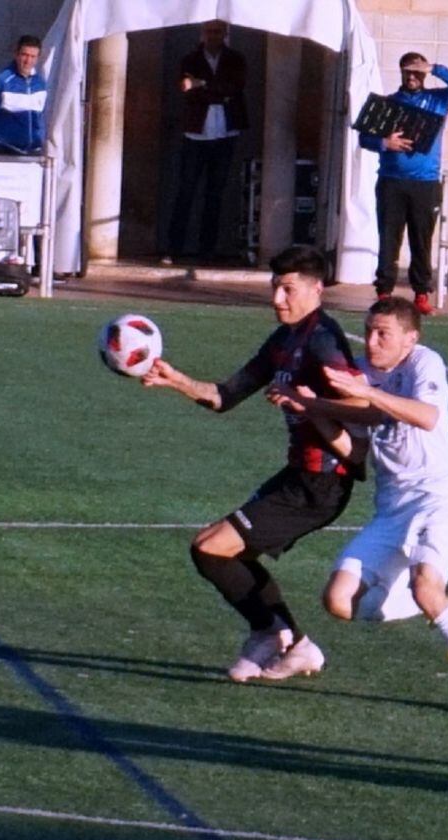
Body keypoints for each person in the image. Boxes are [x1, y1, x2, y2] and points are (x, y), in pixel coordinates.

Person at [268, 296, 448, 719]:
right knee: (338, 601)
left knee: (425, 584)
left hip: (437, 499)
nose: (371, 340)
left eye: (383, 333)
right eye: (368, 330)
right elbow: (352, 449)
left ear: (410, 338)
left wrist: (364, 394)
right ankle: (441, 605)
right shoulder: (360, 374)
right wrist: (308, 407)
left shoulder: (424, 363)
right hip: (391, 509)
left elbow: (425, 417)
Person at [142, 245, 357, 682]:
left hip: (321, 483)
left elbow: (357, 402)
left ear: (317, 289)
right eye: (275, 287)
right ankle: (292, 643)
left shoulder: (322, 340)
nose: (278, 299)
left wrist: (309, 403)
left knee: (212, 548)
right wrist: (176, 381)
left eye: (288, 289)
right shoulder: (285, 338)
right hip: (298, 476)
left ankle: (271, 634)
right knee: (214, 551)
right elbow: (226, 395)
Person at [358, 54, 448, 316]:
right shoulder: (388, 104)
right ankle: (384, 292)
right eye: (407, 72)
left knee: (421, 240)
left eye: (417, 72)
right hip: (391, 182)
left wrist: (434, 68)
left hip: (425, 184)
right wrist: (385, 143)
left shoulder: (438, 100)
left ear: (423, 74)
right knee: (388, 238)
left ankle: (421, 294)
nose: (411, 77)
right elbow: (364, 138)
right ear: (400, 73)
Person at [164, 20, 248, 264]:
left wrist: (202, 84)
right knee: (186, 191)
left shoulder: (235, 59)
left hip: (224, 133)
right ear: (203, 34)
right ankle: (174, 248)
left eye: (218, 32)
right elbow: (188, 88)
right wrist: (211, 89)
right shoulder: (190, 60)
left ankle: (207, 250)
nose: (214, 36)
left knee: (215, 194)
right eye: (210, 32)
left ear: (225, 34)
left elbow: (234, 87)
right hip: (196, 132)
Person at [0, 35, 47, 156]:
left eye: (33, 56)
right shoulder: (1, 80)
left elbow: (42, 117)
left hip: (33, 152)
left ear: (37, 59)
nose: (28, 61)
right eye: (24, 55)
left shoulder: (40, 84)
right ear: (16, 54)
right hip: (6, 150)